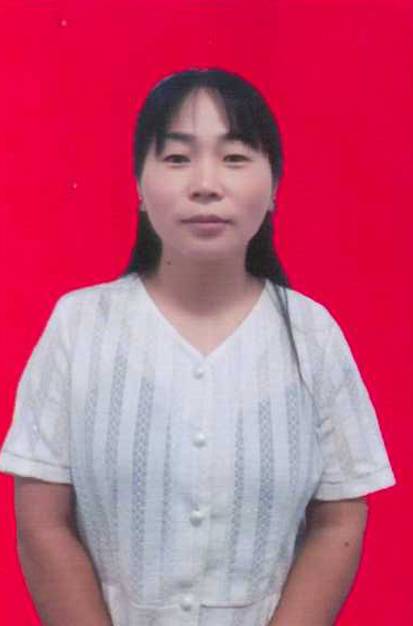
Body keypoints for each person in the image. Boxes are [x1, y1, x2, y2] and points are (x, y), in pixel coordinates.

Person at [0, 68, 396, 626]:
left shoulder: (313, 336)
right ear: (139, 186)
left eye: (234, 158)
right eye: (177, 158)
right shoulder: (79, 326)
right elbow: (43, 522)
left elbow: (340, 516)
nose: (205, 184)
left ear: (274, 186)